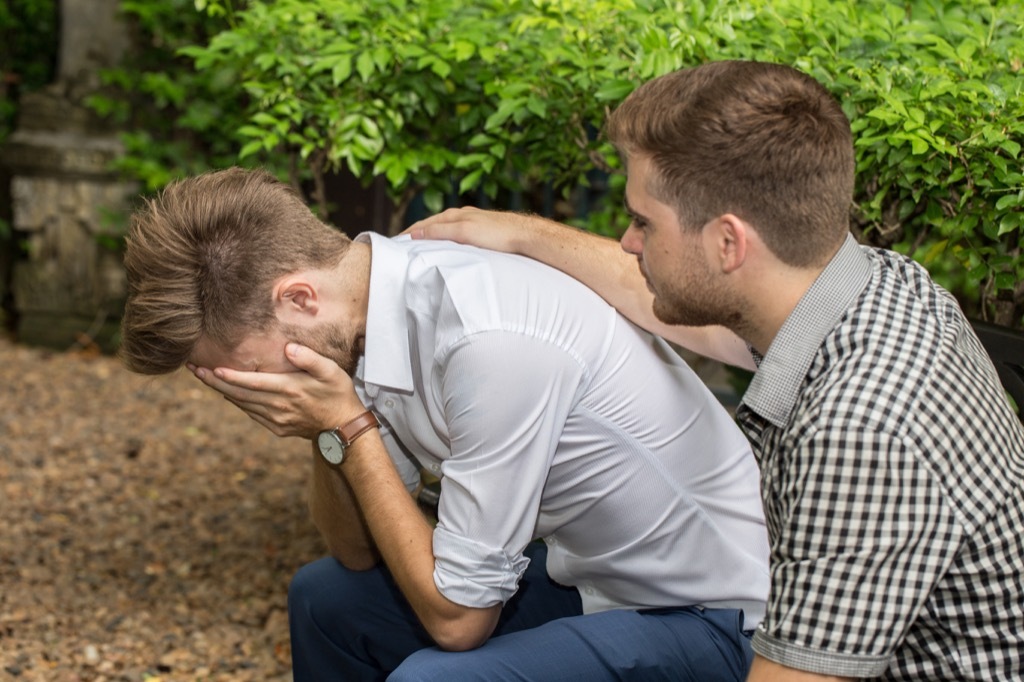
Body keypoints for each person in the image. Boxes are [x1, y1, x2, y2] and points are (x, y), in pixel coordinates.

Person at [407, 60, 1024, 681]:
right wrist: (517, 233)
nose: (627, 241)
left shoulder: (861, 432)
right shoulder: (872, 286)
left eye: (643, 222)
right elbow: (656, 288)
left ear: (729, 244)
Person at [119, 166, 771, 681]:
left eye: (236, 368)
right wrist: (324, 426)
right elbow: (355, 551)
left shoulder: (484, 336)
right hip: (596, 581)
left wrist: (347, 425)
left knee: (435, 678)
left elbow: (460, 622)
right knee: (325, 602)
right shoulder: (365, 312)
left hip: (716, 618)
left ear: (298, 298)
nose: (244, 389)